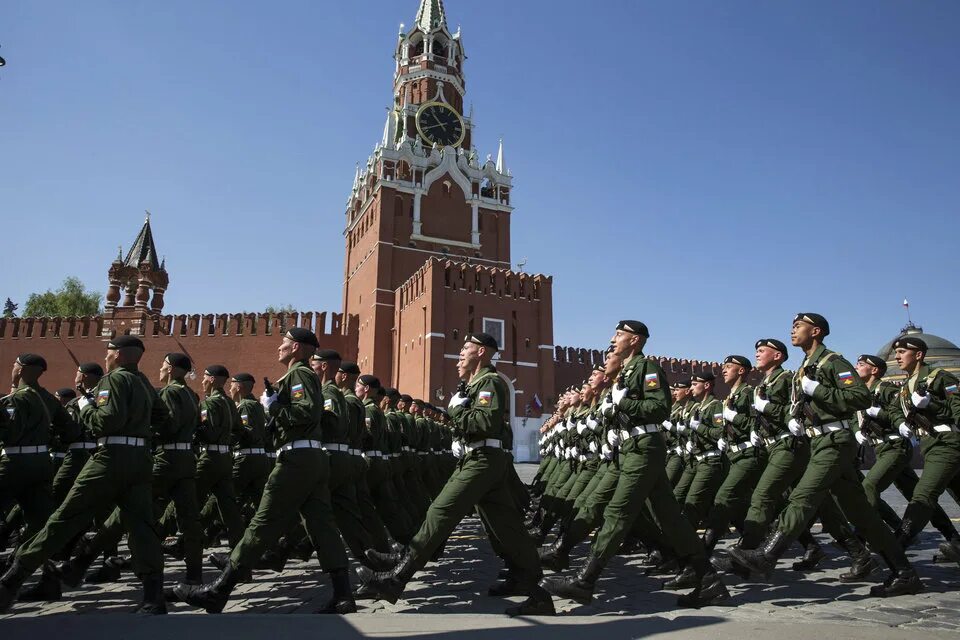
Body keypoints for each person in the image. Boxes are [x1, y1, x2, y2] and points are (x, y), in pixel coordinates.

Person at [357, 332, 555, 616]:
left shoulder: (489, 382)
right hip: (481, 458)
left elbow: (484, 422)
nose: (460, 353)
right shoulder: (475, 385)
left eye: (466, 348)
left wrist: (457, 412)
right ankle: (536, 589)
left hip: (482, 459)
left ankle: (397, 577)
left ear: (483, 352)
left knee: (440, 511)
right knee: (506, 526)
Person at [729, 313, 922, 598]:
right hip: (817, 441)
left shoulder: (832, 362)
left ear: (815, 331)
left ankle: (767, 555)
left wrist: (817, 389)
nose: (793, 331)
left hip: (834, 440)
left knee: (802, 497)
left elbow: (860, 397)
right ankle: (904, 573)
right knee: (863, 515)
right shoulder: (804, 367)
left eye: (798, 327)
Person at [541, 321, 728, 608]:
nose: (612, 339)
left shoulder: (646, 368)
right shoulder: (626, 373)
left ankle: (585, 580)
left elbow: (659, 407)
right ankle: (709, 580)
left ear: (635, 340)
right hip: (629, 449)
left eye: (619, 335)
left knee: (618, 512)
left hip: (643, 449)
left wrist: (623, 404)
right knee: (671, 519)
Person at [173, 327, 355, 614]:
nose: (278, 348)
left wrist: (276, 407)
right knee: (321, 525)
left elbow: (305, 411)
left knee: (262, 520)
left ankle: (219, 590)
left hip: (296, 459)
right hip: (310, 457)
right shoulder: (304, 375)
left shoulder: (299, 374)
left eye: (283, 343)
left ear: (296, 347)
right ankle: (344, 594)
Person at [0, 336, 168, 614]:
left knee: (65, 517)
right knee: (142, 526)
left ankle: (11, 581)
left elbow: (105, 420)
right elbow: (162, 418)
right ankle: (153, 596)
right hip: (140, 460)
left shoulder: (113, 380)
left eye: (108, 352)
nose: (106, 357)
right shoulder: (143, 382)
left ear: (119, 354)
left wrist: (86, 406)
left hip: (109, 459)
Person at [890, 337, 960, 551]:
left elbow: (957, 408)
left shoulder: (938, 377)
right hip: (928, 444)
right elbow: (894, 410)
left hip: (945, 442)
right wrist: (901, 422)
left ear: (918, 354)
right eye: (896, 352)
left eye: (902, 352)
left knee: (923, 495)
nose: (897, 356)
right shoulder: (904, 387)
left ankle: (897, 547)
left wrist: (933, 404)